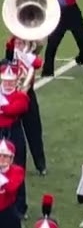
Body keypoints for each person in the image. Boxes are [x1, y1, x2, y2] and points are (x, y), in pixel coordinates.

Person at [5, 35, 46, 180]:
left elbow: (39, 63)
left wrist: (27, 54)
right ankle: (10, 163)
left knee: (34, 130)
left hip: (28, 96)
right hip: (11, 98)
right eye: (16, 42)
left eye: (21, 42)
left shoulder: (29, 56)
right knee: (10, 132)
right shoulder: (9, 59)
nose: (19, 45)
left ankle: (40, 164)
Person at [0, 65, 30, 218]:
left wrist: (3, 108)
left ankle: (20, 207)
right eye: (5, 81)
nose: (7, 84)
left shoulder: (20, 96)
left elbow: (16, 109)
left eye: (10, 81)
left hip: (13, 132)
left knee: (17, 167)